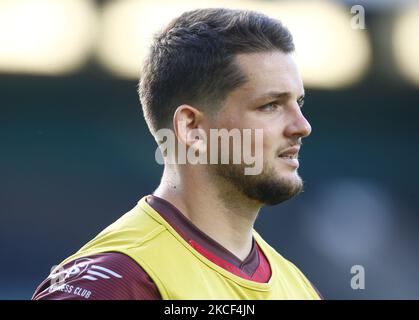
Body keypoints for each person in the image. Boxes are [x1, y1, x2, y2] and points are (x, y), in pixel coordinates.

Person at [33, 7, 320, 300]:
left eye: (298, 103)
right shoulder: (114, 282)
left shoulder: (300, 289)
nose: (302, 126)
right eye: (270, 105)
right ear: (192, 128)